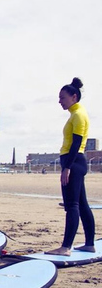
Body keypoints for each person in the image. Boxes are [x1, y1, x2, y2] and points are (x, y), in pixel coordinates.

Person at [46, 78, 96, 255]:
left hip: (74, 162)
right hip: (74, 162)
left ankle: (66, 247)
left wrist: (67, 167)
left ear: (74, 97)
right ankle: (89, 244)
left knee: (72, 205)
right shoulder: (76, 114)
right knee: (82, 204)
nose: (60, 101)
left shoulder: (79, 115)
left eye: (62, 98)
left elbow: (76, 143)